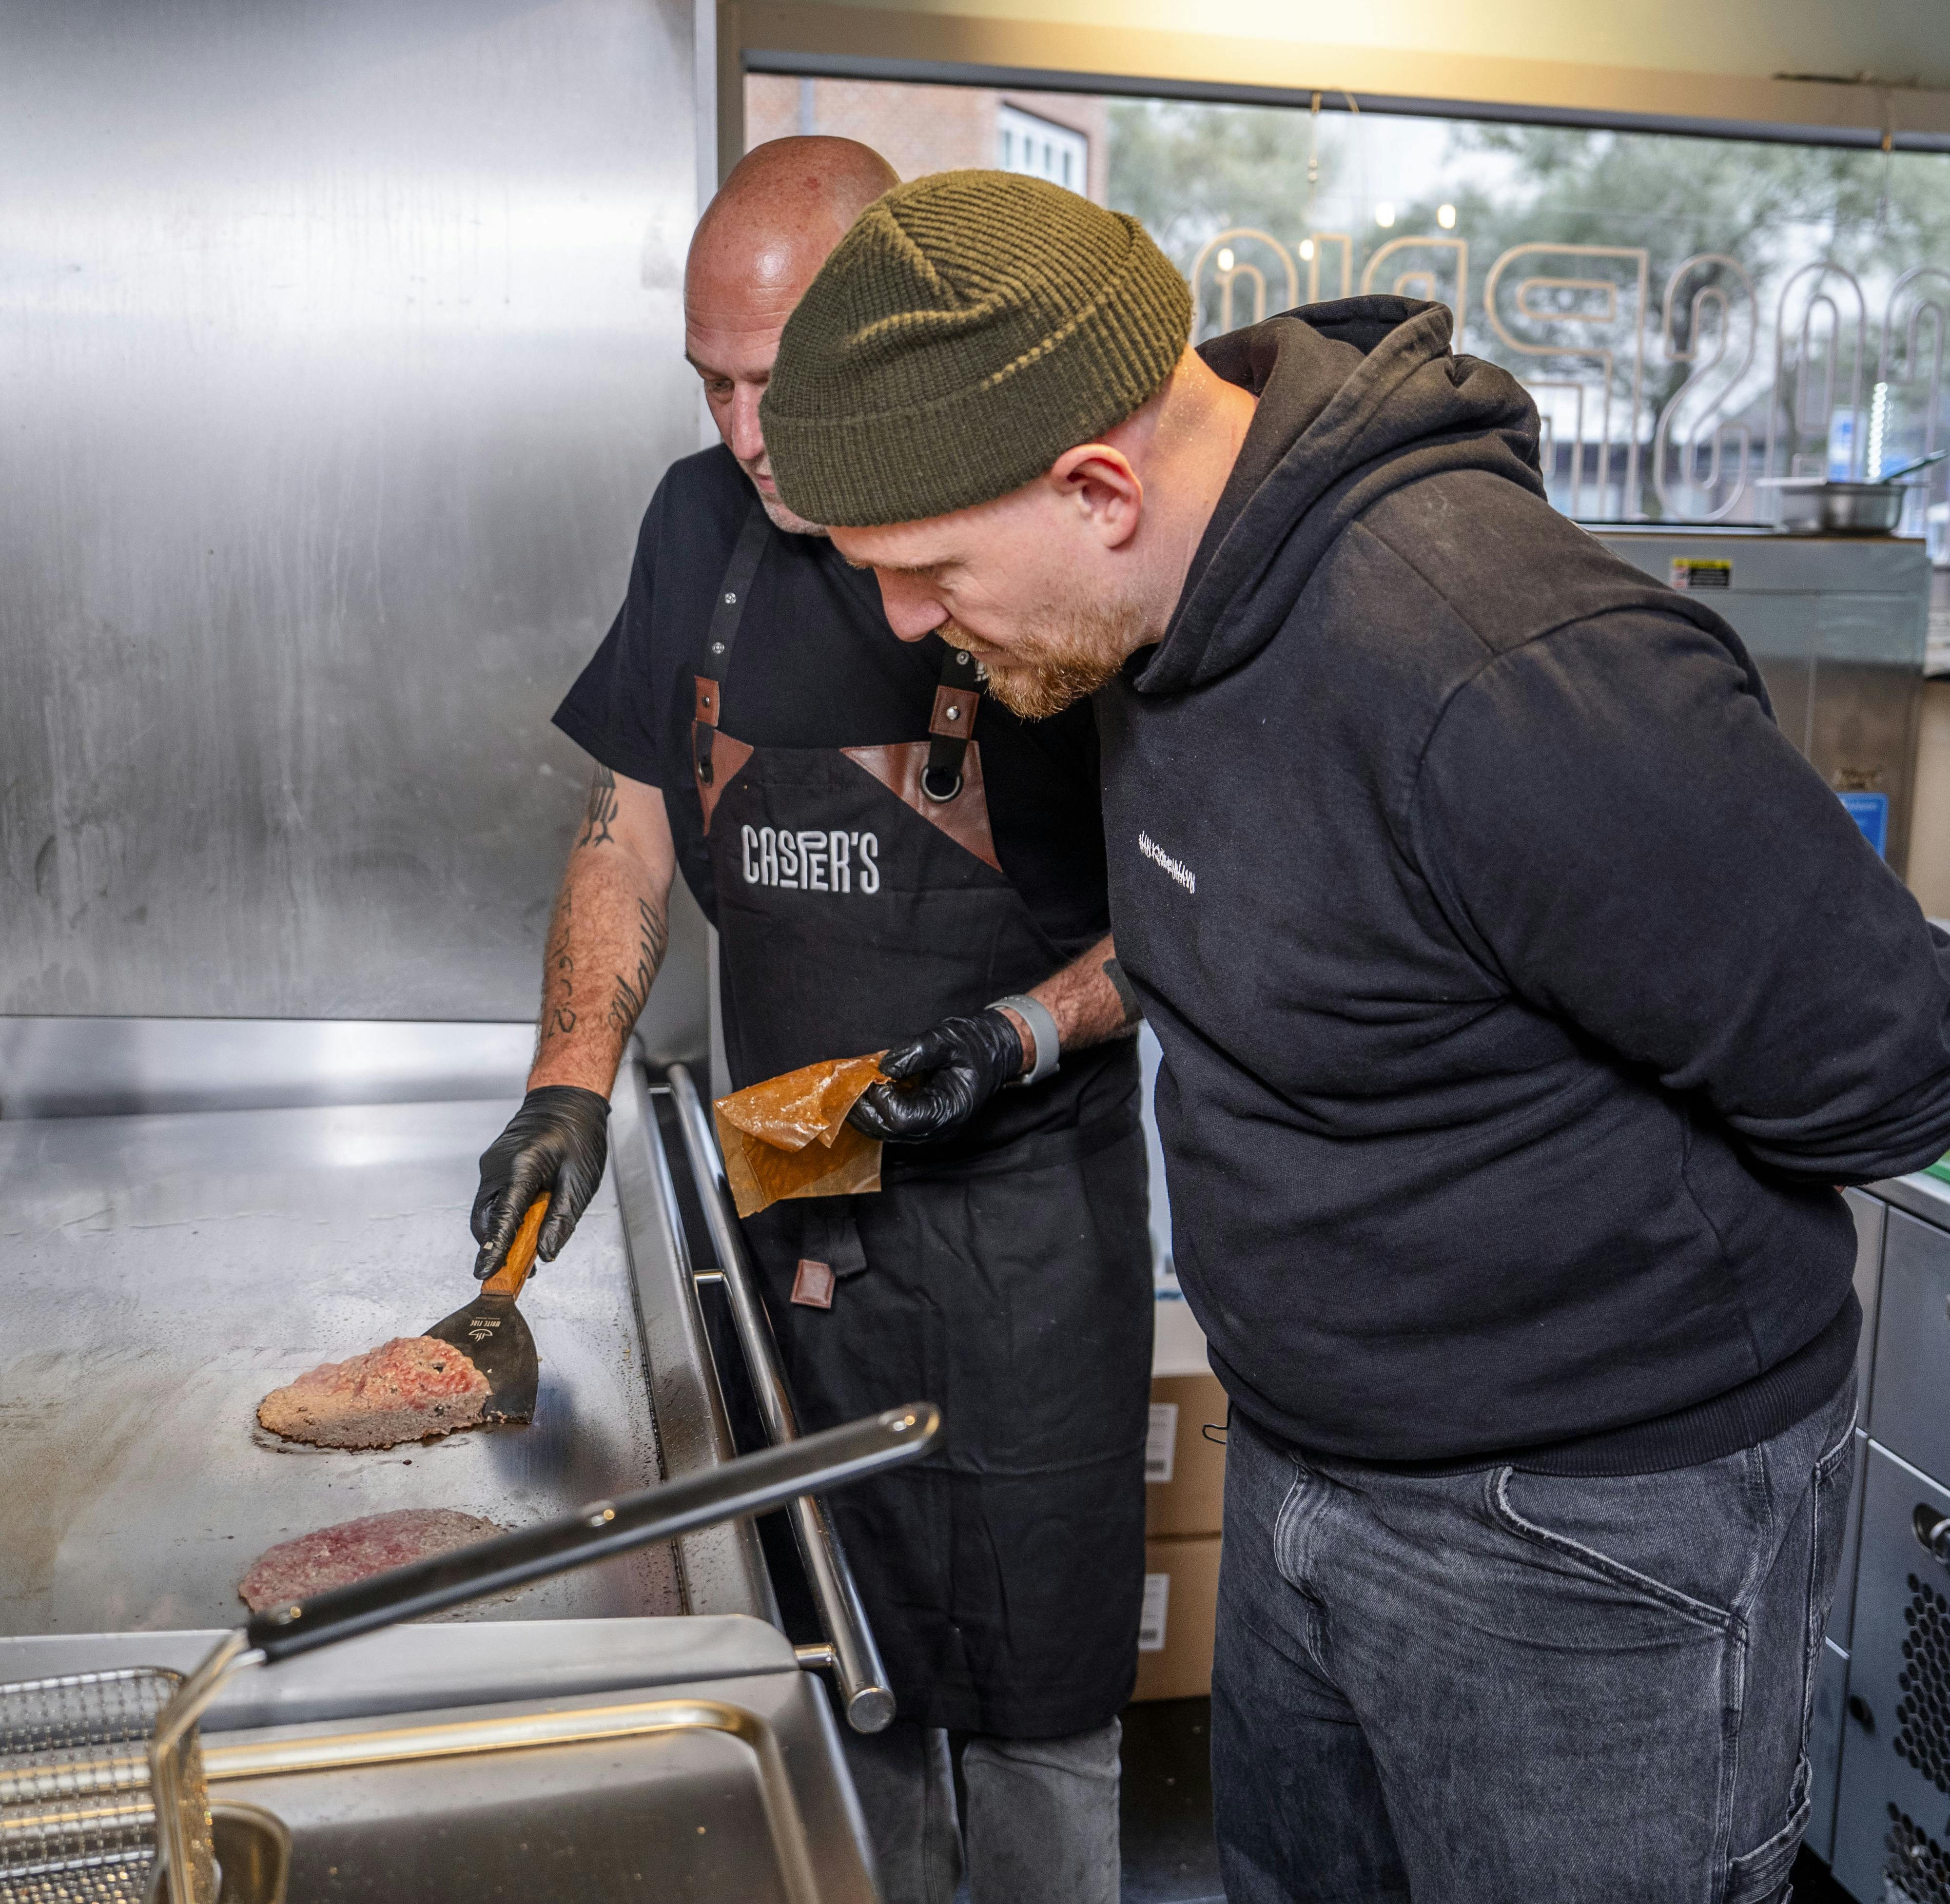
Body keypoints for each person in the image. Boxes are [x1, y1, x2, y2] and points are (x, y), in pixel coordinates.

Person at [757, 169, 1950, 1903]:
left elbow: (1888, 1058)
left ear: (1099, 488)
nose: (911, 627)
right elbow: (1302, 940)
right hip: (1313, 1468)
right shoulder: (1149, 615)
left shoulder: (1500, 668)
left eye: (930, 572)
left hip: (1584, 1537)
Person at [466, 140, 1153, 1904]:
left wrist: (1010, 1036)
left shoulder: (1038, 532)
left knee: (1030, 1715)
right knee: (822, 1674)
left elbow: (1190, 919)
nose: (748, 431)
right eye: (712, 383)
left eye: (777, 383)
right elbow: (625, 833)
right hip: (787, 1227)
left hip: (1018, 1250)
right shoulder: (696, 521)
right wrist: (568, 1088)